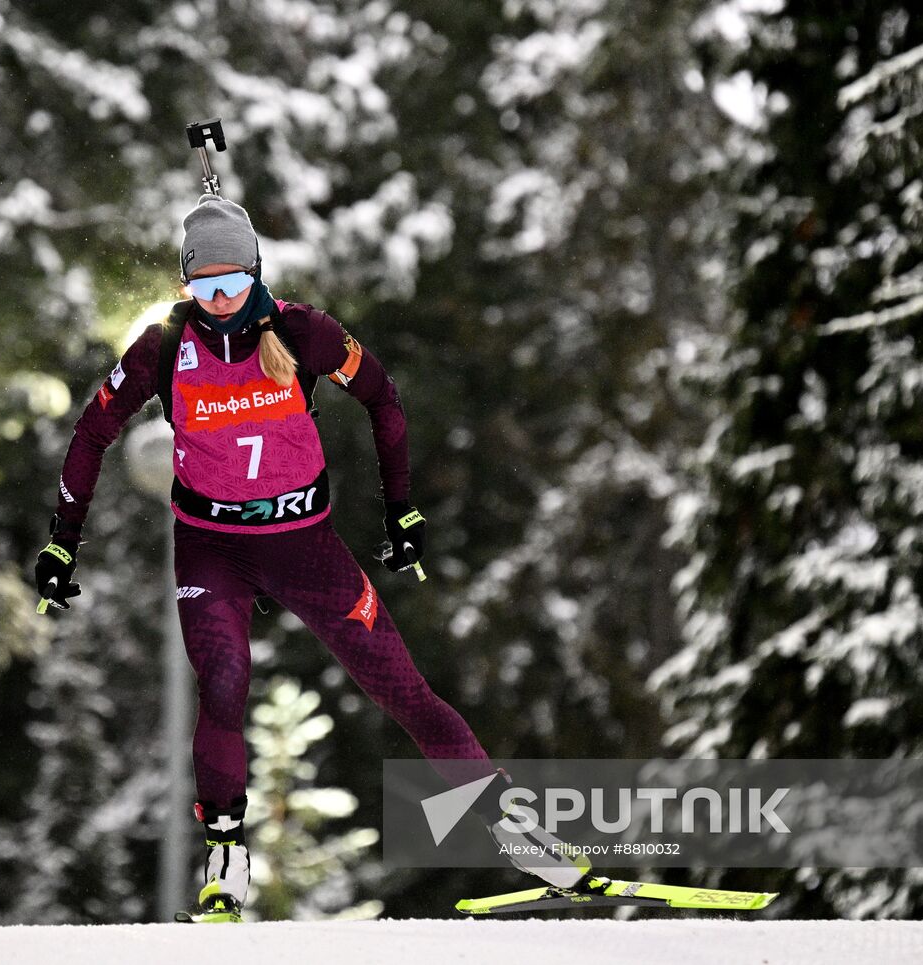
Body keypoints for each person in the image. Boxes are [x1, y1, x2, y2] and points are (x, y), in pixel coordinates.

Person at [34, 194, 583, 922]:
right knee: (224, 679)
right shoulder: (165, 347)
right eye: (204, 287)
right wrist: (61, 541)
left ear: (257, 273)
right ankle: (225, 855)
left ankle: (513, 829)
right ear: (184, 287)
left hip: (305, 545)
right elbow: (92, 431)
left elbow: (384, 399)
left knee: (401, 688)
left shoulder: (301, 331)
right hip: (213, 548)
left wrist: (402, 509)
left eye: (233, 282)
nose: (220, 299)